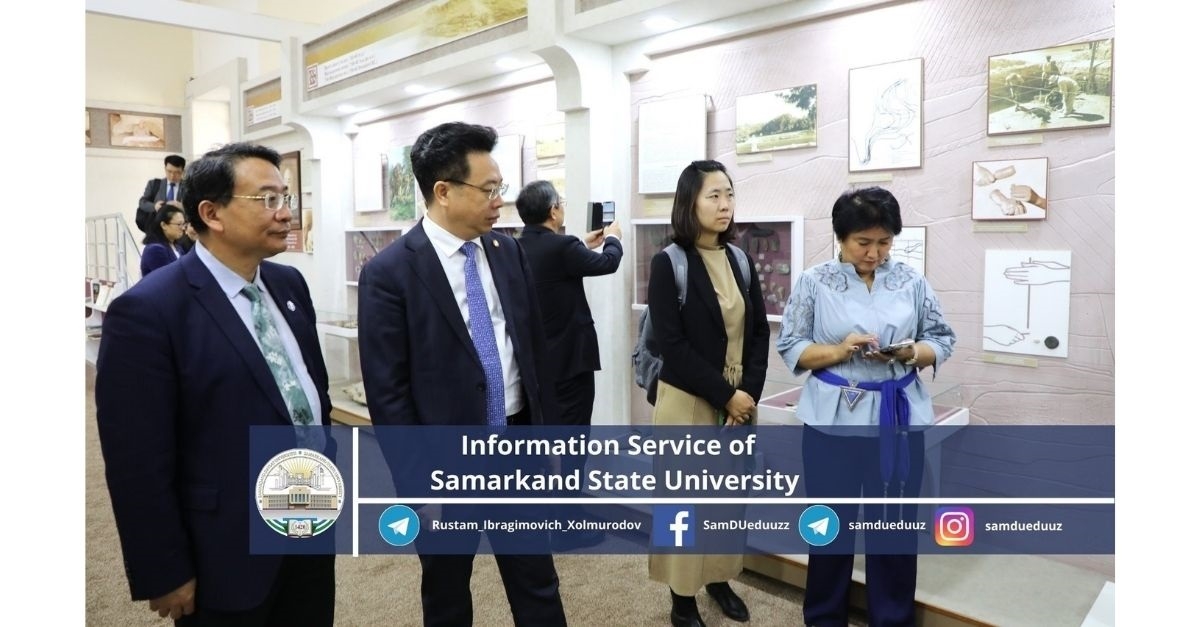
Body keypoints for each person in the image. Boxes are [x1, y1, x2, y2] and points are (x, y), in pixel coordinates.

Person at [95, 142, 336, 625]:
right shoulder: (150, 311)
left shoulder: (289, 286)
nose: (286, 213)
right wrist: (163, 569)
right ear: (212, 213)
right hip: (224, 544)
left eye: (286, 197)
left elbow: (311, 395)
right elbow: (136, 459)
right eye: (268, 199)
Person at [357, 122, 568, 627]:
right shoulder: (389, 273)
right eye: (489, 190)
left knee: (537, 578)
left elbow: (534, 354)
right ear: (443, 192)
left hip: (517, 448)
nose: (500, 202)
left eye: (501, 189)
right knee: (448, 589)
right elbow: (388, 393)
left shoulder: (507, 250)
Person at [776, 186, 956, 627]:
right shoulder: (814, 282)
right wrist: (840, 350)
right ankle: (823, 617)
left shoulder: (911, 280)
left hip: (897, 421)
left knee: (893, 527)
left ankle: (892, 618)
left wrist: (912, 352)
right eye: (864, 242)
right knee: (827, 526)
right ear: (840, 238)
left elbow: (943, 338)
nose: (875, 253)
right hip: (829, 424)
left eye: (885, 242)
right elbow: (791, 346)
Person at [646, 160, 769, 627]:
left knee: (725, 499)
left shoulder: (740, 260)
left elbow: (758, 333)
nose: (724, 205)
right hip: (689, 400)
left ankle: (718, 578)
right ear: (689, 202)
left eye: (729, 194)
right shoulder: (669, 263)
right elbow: (671, 347)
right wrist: (726, 396)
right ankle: (682, 597)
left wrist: (748, 395)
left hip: (738, 400)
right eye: (713, 195)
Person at [515, 180, 623, 551]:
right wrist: (614, 238)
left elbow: (562, 261)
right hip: (571, 363)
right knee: (574, 442)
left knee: (545, 442)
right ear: (552, 211)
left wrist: (582, 243)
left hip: (536, 365)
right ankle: (566, 525)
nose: (562, 207)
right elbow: (609, 264)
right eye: (560, 202)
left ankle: (553, 514)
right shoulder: (564, 247)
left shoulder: (515, 246)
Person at [136, 154, 186, 232]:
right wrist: (155, 206)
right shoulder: (154, 184)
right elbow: (142, 202)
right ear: (165, 169)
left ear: (183, 171)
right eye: (169, 171)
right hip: (157, 229)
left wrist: (183, 207)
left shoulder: (188, 187)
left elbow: (196, 209)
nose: (172, 176)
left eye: (177, 172)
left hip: (180, 230)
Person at [139, 204, 188, 276]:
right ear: (164, 225)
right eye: (179, 224)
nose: (183, 228)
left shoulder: (178, 247)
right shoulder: (155, 250)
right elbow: (167, 278)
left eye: (183, 224)